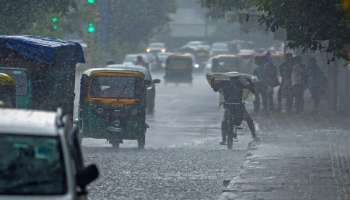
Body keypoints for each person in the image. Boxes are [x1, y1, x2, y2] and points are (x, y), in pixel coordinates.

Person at [212, 75, 258, 145]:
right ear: (238, 77)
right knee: (249, 120)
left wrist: (213, 80)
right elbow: (252, 89)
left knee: (224, 122)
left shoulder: (224, 83)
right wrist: (249, 82)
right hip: (239, 106)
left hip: (229, 106)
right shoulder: (240, 83)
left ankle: (224, 139)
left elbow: (215, 88)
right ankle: (254, 136)